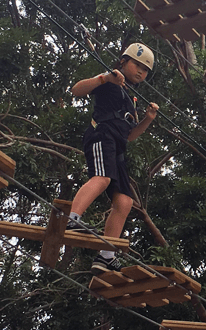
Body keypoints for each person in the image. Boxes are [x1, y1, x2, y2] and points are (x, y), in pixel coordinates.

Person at [67, 43, 159, 275]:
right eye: (136, 64)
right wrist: (104, 78)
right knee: (102, 178)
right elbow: (76, 90)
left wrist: (147, 119)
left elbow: (130, 136)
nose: (140, 71)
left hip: (117, 146)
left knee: (125, 202)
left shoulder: (131, 99)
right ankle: (71, 218)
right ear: (123, 61)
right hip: (101, 135)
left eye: (145, 69)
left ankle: (105, 257)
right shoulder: (109, 81)